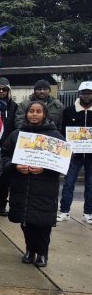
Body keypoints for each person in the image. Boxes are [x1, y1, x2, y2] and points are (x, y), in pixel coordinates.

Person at [1, 101, 64, 267]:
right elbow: (4, 156)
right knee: (26, 222)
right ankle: (29, 250)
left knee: (42, 223)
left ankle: (42, 253)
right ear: (26, 114)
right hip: (22, 185)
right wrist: (15, 166)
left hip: (44, 187)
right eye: (31, 111)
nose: (34, 114)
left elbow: (64, 160)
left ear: (44, 114)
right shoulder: (17, 134)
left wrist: (45, 168)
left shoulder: (54, 136)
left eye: (38, 112)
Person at [57, 81, 92, 223]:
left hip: (91, 155)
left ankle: (88, 212)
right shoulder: (69, 111)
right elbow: (63, 131)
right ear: (79, 94)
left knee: (91, 184)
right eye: (84, 92)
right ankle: (64, 211)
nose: (86, 95)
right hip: (73, 155)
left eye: (89, 92)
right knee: (69, 183)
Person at [0, 77, 19, 216]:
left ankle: (1, 205)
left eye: (4, 89)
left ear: (9, 90)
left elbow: (17, 125)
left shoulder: (14, 106)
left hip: (8, 148)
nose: (1, 92)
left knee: (4, 178)